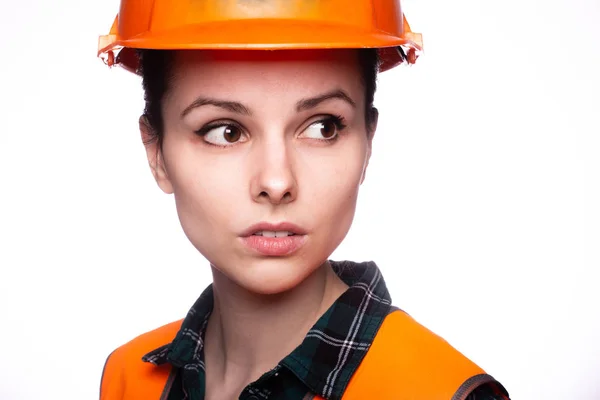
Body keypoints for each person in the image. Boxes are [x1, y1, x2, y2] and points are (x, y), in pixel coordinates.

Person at [97, 1, 510, 399]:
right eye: (225, 132)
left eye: (323, 128)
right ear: (157, 154)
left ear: (368, 144)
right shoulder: (128, 377)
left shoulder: (439, 393)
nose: (277, 182)